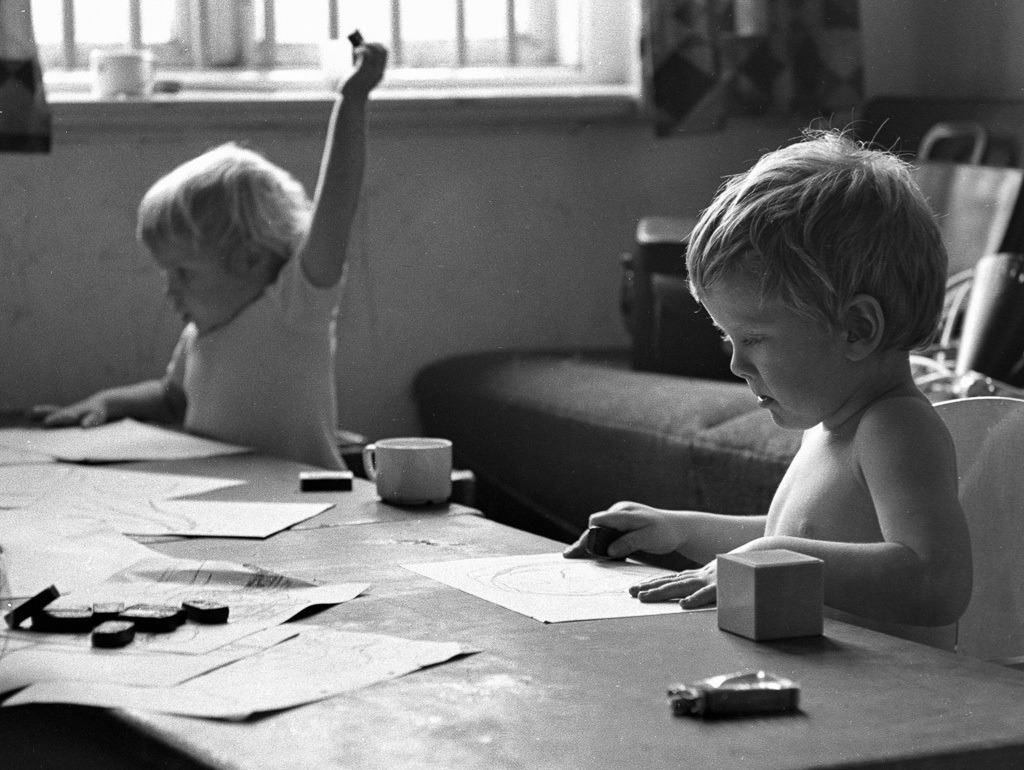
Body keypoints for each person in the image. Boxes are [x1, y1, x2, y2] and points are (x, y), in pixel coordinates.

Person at [564, 130, 973, 640]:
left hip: (897, 704)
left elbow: (936, 582)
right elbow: (796, 536)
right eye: (727, 337)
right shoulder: (831, 427)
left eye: (754, 339)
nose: (736, 364)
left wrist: (776, 555)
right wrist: (681, 528)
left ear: (857, 329)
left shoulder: (896, 427)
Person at [29, 40, 388, 470]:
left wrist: (352, 98)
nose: (170, 292)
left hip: (307, 502)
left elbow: (337, 204)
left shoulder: (295, 307)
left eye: (184, 272)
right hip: (223, 507)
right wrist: (107, 400)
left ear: (248, 259)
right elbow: (170, 398)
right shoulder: (200, 333)